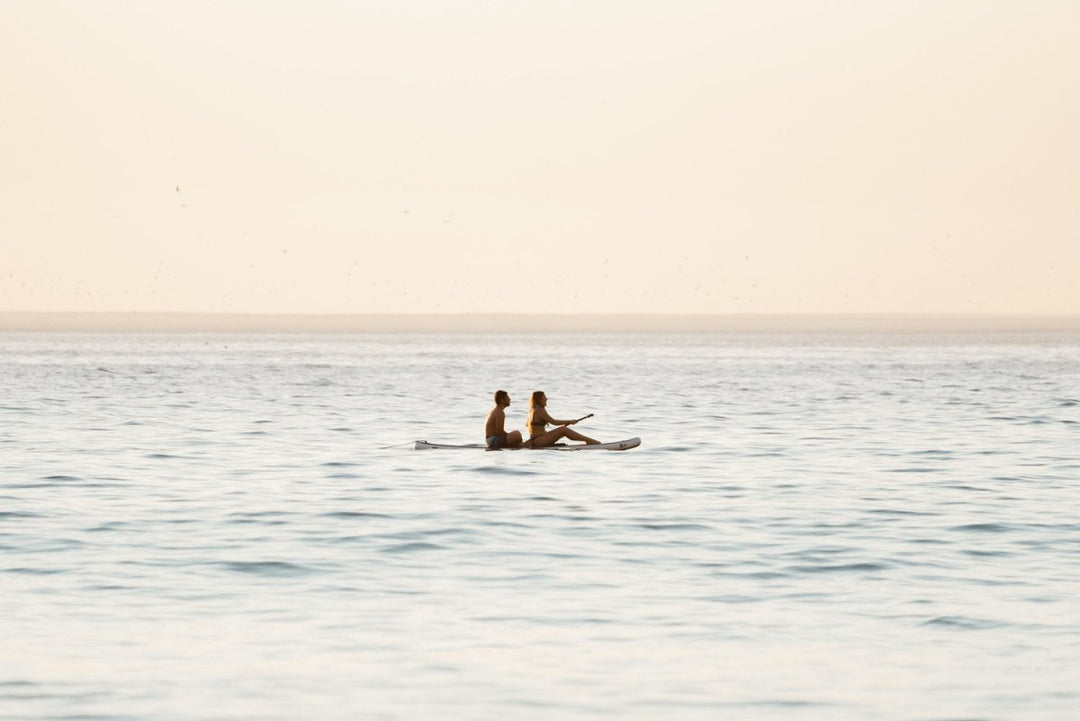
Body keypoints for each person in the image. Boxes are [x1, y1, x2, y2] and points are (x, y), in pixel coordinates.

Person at [525, 390, 599, 447]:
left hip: (536, 440)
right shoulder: (540, 410)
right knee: (563, 430)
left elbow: (529, 426)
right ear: (540, 400)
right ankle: (589, 441)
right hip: (539, 441)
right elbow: (554, 422)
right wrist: (569, 421)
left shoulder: (532, 410)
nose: (547, 399)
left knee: (562, 429)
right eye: (545, 398)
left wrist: (552, 433)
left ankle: (588, 440)